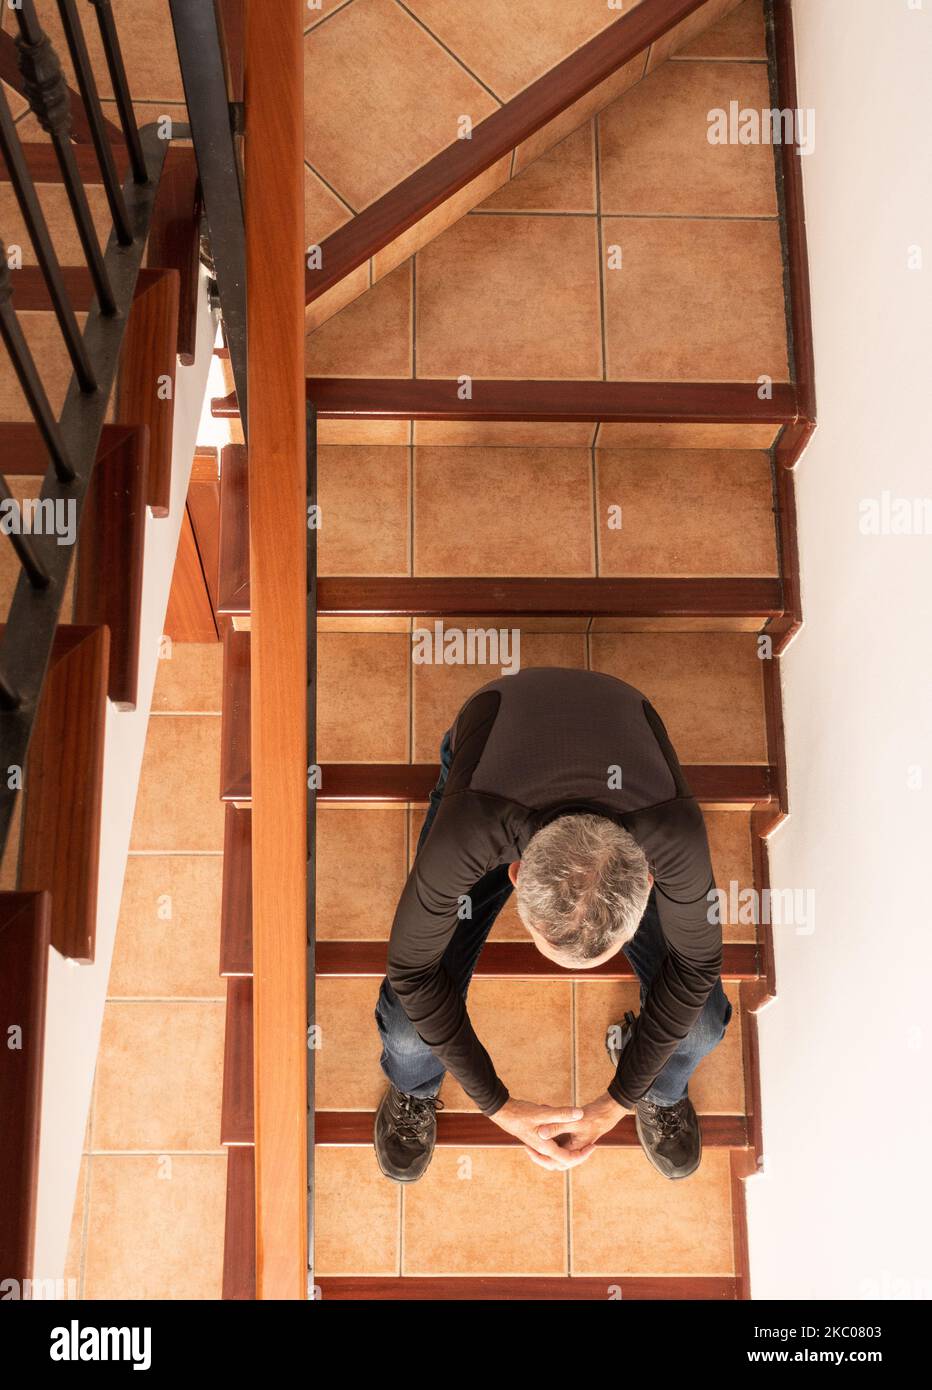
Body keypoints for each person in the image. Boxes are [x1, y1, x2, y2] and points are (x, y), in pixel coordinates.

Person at [373, 666, 732, 1183]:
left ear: (649, 881)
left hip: (625, 715)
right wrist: (495, 1103)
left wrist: (619, 1100)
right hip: (494, 747)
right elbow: (412, 973)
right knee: (410, 1032)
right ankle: (416, 1087)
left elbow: (697, 969)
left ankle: (660, 1089)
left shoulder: (673, 834)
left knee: (701, 1023)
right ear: (514, 873)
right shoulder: (470, 830)